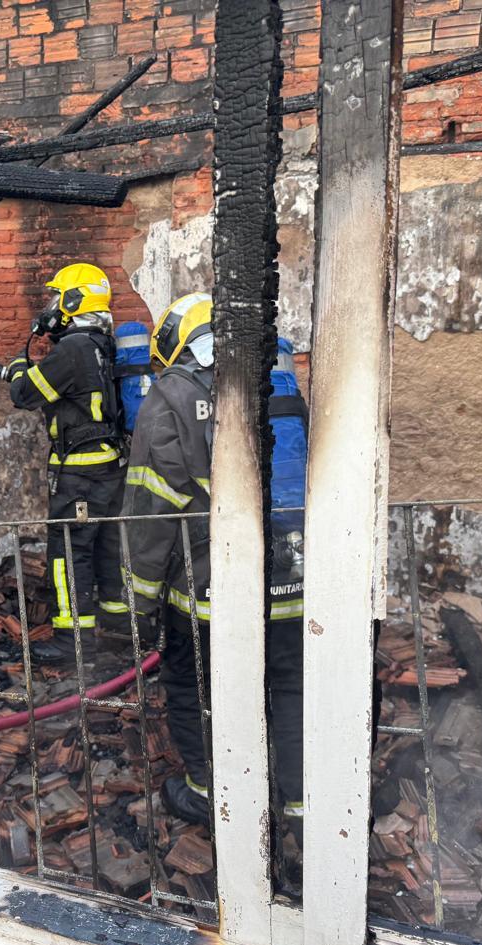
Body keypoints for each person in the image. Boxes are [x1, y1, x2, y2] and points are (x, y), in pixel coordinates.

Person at [119, 293, 306, 831]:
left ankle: (214, 796)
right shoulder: (280, 384)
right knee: (289, 684)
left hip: (209, 588)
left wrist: (139, 599)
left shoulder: (173, 394)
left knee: (196, 687)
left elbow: (153, 506)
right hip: (294, 575)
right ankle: (299, 807)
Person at [5, 263, 129, 664]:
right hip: (109, 469)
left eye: (58, 298)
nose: (52, 306)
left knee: (68, 554)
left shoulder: (72, 350)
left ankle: (72, 642)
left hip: (79, 475)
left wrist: (21, 368)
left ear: (74, 301)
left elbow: (24, 393)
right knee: (108, 549)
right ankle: (119, 629)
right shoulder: (101, 343)